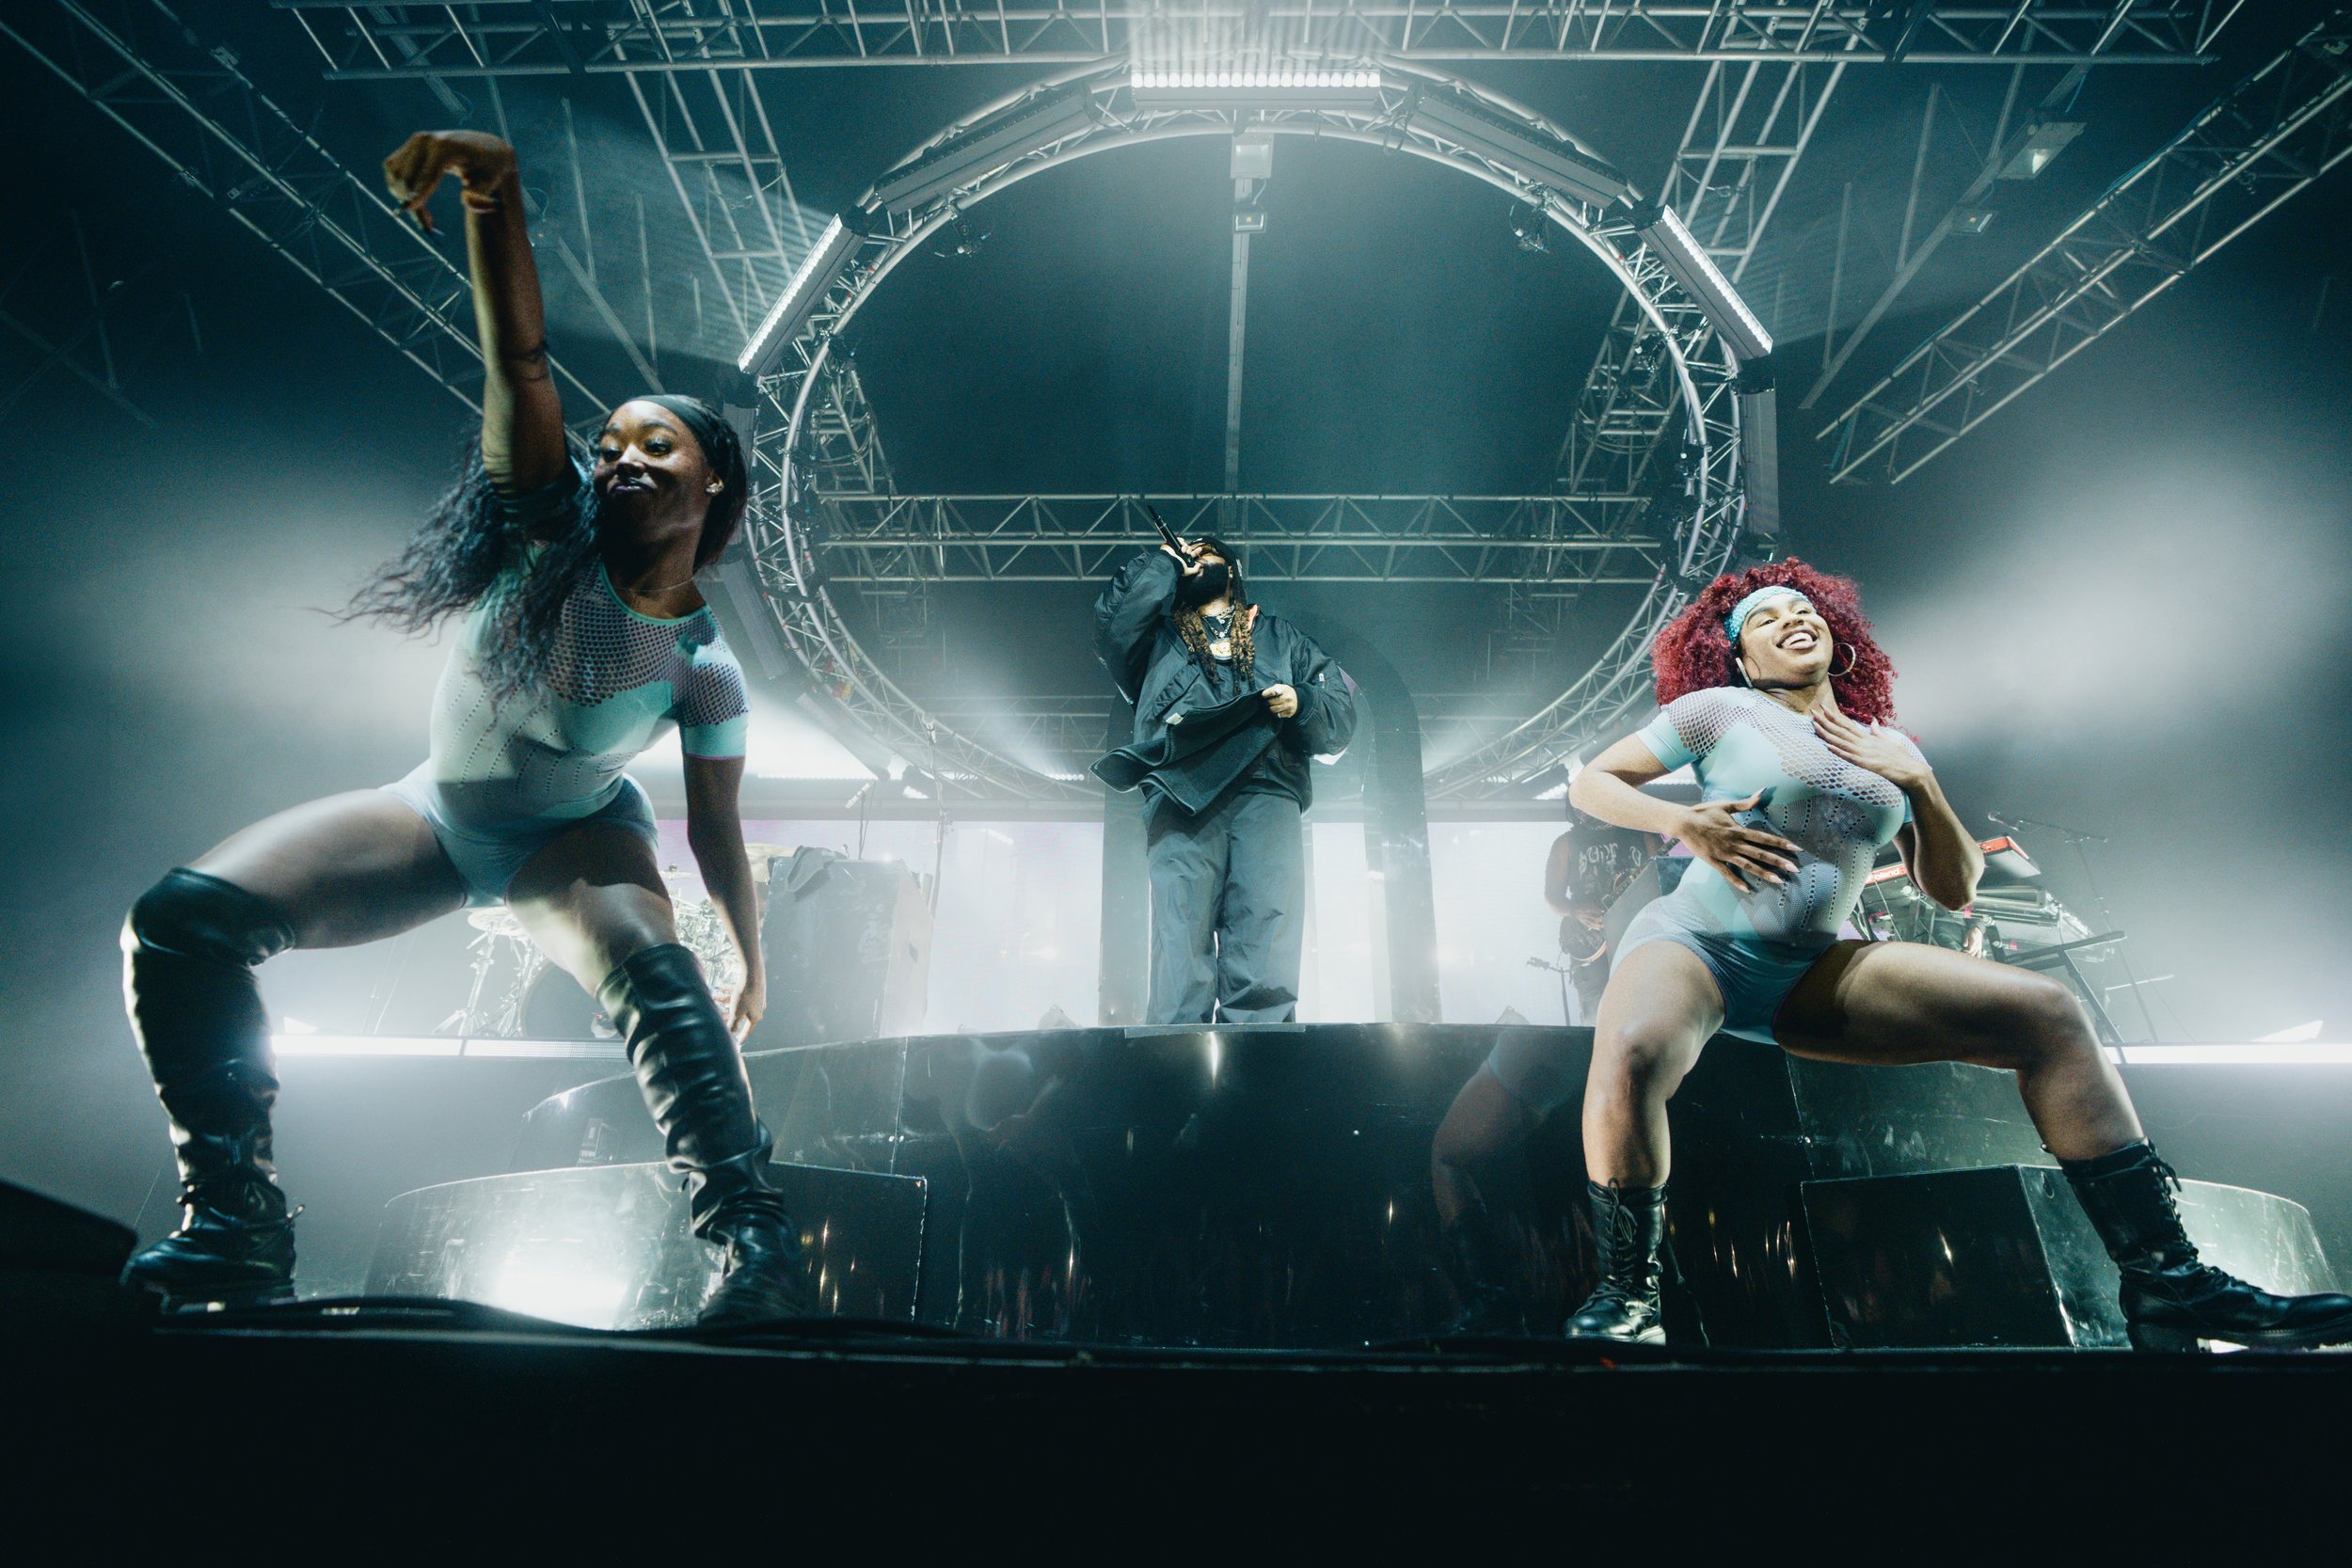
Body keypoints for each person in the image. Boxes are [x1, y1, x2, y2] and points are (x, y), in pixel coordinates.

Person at [115, 129, 802, 1323]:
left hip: (569, 840)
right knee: (180, 926)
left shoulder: (704, 668)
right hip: (433, 814)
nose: (621, 457)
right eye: (610, 443)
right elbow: (519, 359)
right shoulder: (544, 525)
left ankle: (757, 1250)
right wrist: (492, 190)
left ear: (714, 484)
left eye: (657, 443)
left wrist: (751, 957)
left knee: (657, 973)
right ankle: (234, 1225)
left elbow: (717, 828)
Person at [1557, 560, 2352, 1350]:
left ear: (1838, 635)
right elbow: (1591, 783)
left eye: (1803, 609)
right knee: (1635, 1049)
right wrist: (1684, 822)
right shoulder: (1717, 710)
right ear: (1739, 655)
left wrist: (1922, 784)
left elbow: (1952, 886)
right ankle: (1628, 1295)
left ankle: (2169, 1282)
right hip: (1697, 942)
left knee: (2049, 1016)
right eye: (1764, 618)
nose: (1791, 619)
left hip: (1811, 968)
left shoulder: (1888, 748)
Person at [1093, 535, 1356, 1024]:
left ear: (1231, 570)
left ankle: (1256, 1064)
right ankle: (1178, 1067)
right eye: (1186, 554)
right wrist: (1162, 564)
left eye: (1205, 552)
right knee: (1179, 950)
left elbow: (1341, 713)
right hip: (1182, 795)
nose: (1194, 556)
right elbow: (1112, 626)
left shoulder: (1281, 637)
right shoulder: (1156, 641)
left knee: (1264, 946)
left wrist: (1302, 702)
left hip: (1267, 792)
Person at [1545, 806, 1668, 1023]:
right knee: (1597, 1020)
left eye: (1586, 804)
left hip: (1638, 940)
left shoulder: (1644, 835)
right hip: (1590, 945)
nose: (1582, 811)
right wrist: (1576, 910)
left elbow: (1665, 884)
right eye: (1576, 807)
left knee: (1646, 1015)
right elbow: (1552, 897)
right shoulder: (1566, 843)